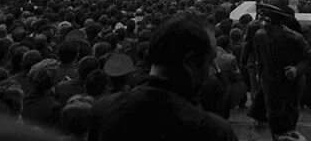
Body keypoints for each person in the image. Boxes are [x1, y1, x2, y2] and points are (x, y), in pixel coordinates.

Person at [91, 13, 237, 141]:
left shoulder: (103, 110)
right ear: (191, 62)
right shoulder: (213, 132)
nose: (212, 70)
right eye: (210, 61)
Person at [252, 3, 311, 139]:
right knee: (272, 112)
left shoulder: (295, 38)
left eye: (268, 22)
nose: (264, 24)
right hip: (269, 79)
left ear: (279, 25)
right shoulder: (259, 35)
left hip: (291, 81)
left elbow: (309, 59)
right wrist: (259, 74)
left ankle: (291, 134)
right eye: (263, 20)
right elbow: (259, 58)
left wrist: (296, 69)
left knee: (290, 109)